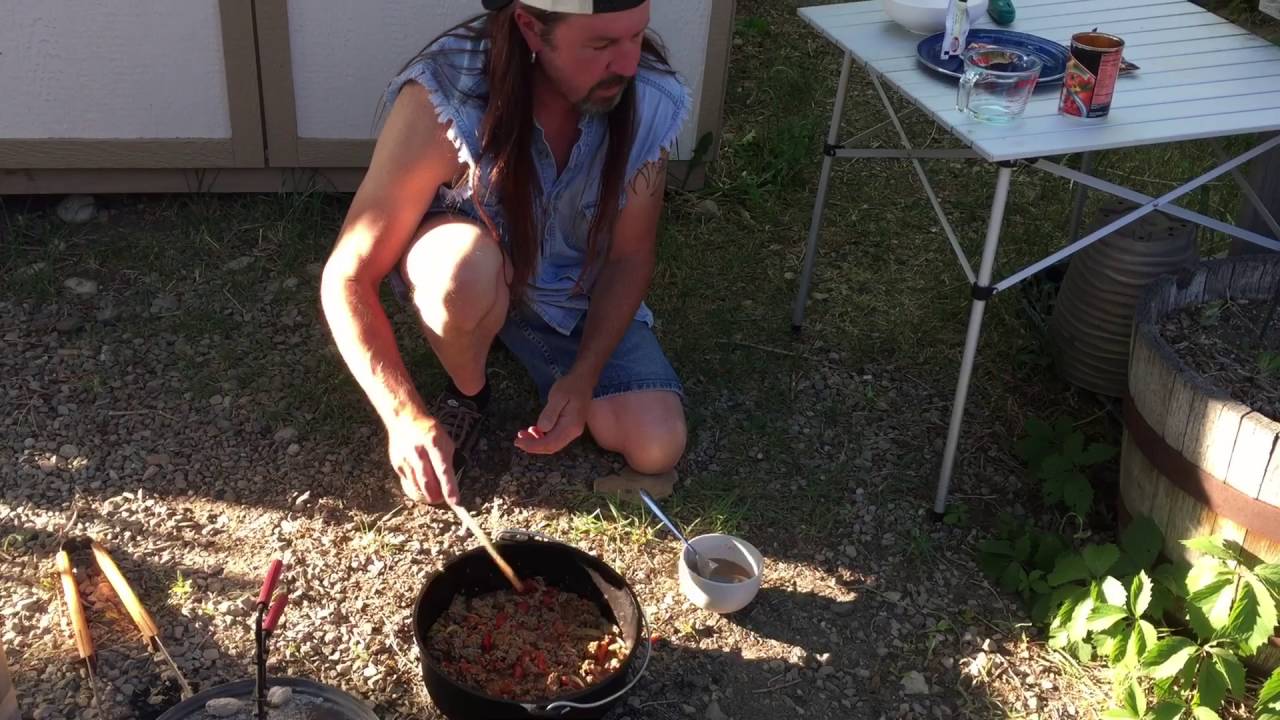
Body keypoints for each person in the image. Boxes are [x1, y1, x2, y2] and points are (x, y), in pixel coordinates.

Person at [320, 0, 690, 507]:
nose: (628, 65)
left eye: (635, 37)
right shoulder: (447, 93)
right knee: (461, 277)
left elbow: (629, 256)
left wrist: (583, 377)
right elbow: (347, 276)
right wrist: (403, 416)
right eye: (602, 44)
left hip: (567, 291)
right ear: (531, 28)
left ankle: (511, 338)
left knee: (656, 445)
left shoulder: (647, 93)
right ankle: (469, 390)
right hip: (473, 263)